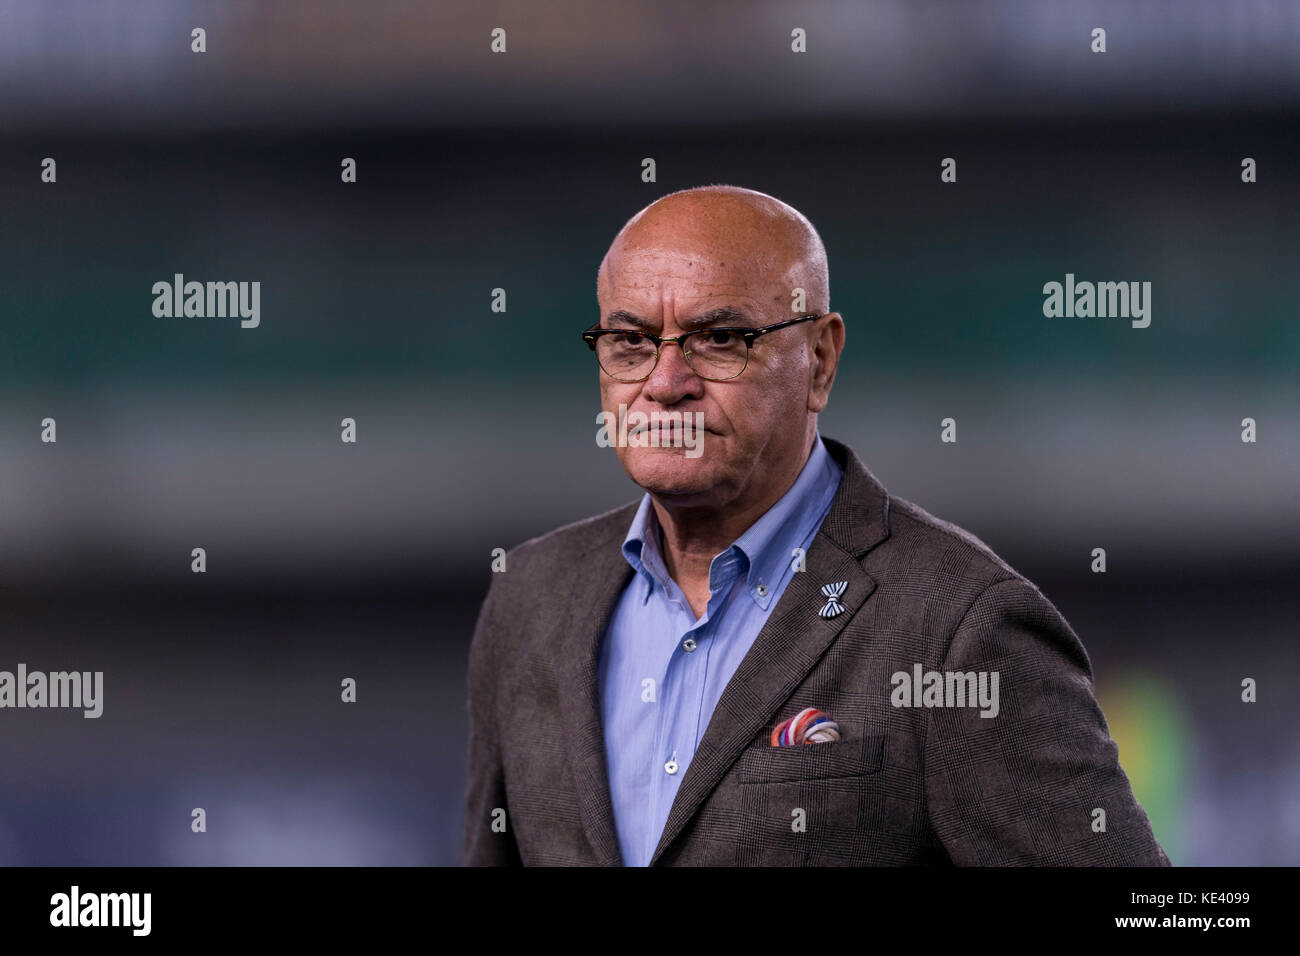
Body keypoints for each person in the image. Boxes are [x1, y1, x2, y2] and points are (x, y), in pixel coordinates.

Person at [463, 184, 1169, 866]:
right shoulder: (530, 599)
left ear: (820, 361)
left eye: (718, 339)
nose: (665, 382)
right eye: (630, 342)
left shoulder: (958, 625)